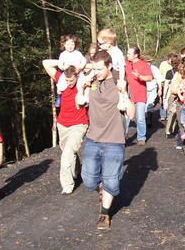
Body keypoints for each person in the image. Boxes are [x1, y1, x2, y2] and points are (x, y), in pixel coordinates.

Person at [79, 50, 135, 230]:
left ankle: (104, 213)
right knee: (88, 179)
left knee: (111, 179)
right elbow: (79, 102)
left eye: (99, 69)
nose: (96, 72)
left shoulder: (120, 81)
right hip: (93, 138)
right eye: (94, 68)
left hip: (114, 140)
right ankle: (102, 191)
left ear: (109, 66)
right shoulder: (92, 81)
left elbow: (132, 114)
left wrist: (124, 94)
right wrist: (82, 87)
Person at [42, 59, 89, 194]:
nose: (69, 84)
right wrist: (64, 62)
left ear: (77, 76)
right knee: (68, 153)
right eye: (67, 81)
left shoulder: (83, 82)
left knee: (67, 153)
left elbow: (95, 67)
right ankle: (76, 172)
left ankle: (67, 186)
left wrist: (80, 65)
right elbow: (45, 63)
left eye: (71, 81)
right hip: (63, 124)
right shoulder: (61, 80)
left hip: (79, 123)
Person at [125, 46, 154, 146]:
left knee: (140, 117)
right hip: (129, 94)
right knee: (126, 117)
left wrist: (140, 77)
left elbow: (150, 78)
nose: (127, 55)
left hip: (140, 94)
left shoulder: (143, 64)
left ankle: (141, 137)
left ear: (136, 55)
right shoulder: (127, 64)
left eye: (129, 54)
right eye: (127, 53)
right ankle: (122, 137)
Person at [55, 35, 86, 108]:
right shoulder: (63, 54)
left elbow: (83, 61)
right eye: (68, 44)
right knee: (60, 85)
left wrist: (80, 67)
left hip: (77, 73)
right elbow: (60, 63)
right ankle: (59, 97)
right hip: (66, 73)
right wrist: (63, 67)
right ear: (64, 45)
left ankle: (83, 99)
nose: (70, 46)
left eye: (72, 44)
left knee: (81, 85)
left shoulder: (77, 53)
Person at [163, 53, 181, 137]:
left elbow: (166, 86)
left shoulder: (169, 72)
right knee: (175, 112)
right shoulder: (181, 72)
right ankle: (171, 130)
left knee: (172, 112)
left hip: (172, 94)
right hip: (178, 94)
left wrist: (164, 98)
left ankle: (169, 131)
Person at [145, 56, 163, 128]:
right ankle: (144, 118)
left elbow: (159, 79)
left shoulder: (154, 69)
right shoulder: (140, 68)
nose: (148, 63)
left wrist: (160, 89)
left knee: (150, 104)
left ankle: (149, 119)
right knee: (143, 106)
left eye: (149, 62)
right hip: (143, 90)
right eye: (146, 62)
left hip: (152, 89)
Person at [158, 53, 174, 121]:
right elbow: (160, 73)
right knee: (163, 98)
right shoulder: (163, 64)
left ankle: (168, 114)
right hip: (163, 82)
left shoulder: (173, 65)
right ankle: (163, 114)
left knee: (169, 98)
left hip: (171, 83)